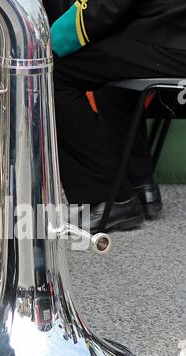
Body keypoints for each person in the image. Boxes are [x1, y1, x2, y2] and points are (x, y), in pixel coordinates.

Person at [43, 0, 186, 232]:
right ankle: (140, 185)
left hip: (170, 37)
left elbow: (106, 5)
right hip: (169, 29)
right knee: (107, 66)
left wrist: (46, 43)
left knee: (52, 71)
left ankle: (108, 198)